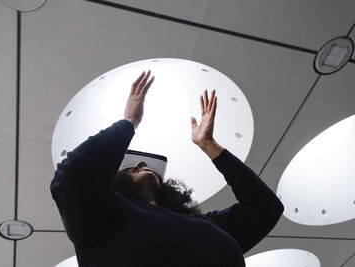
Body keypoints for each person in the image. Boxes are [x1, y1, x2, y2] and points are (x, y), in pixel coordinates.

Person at [50, 70, 284, 267]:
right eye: (133, 168)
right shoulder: (101, 219)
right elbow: (73, 176)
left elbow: (265, 209)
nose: (143, 165)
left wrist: (210, 146)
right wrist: (129, 122)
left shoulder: (203, 225)